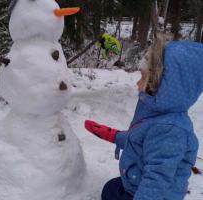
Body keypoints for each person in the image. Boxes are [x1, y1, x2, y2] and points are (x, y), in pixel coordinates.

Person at [85, 34, 203, 200]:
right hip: (135, 183)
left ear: (162, 85)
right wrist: (113, 135)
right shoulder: (155, 110)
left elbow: (156, 182)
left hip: (153, 195)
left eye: (143, 78)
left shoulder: (171, 130)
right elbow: (142, 140)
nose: (137, 83)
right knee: (110, 189)